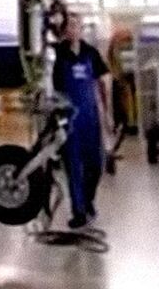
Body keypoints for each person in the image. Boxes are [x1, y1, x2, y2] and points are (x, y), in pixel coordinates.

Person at [52, 12, 112, 230]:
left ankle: (88, 202)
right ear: (65, 30)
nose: (73, 29)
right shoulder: (58, 54)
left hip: (90, 118)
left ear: (81, 28)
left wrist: (107, 115)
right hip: (69, 120)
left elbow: (104, 81)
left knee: (96, 165)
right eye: (69, 25)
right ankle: (79, 212)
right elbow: (51, 87)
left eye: (76, 25)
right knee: (74, 167)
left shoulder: (90, 53)